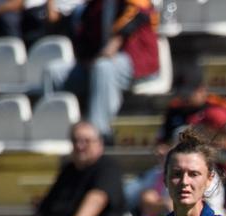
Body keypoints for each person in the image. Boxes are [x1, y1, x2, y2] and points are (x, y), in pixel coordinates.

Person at [0, 121, 126, 216]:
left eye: (86, 141)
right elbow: (42, 214)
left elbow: (96, 200)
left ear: (99, 143)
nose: (80, 146)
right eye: (76, 141)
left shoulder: (107, 167)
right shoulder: (67, 172)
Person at [44, 0, 160, 140]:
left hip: (136, 62)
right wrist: (86, 58)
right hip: (98, 63)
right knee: (55, 72)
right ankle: (56, 132)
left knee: (103, 67)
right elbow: (81, 34)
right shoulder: (93, 6)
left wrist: (115, 42)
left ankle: (98, 134)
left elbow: (138, 15)